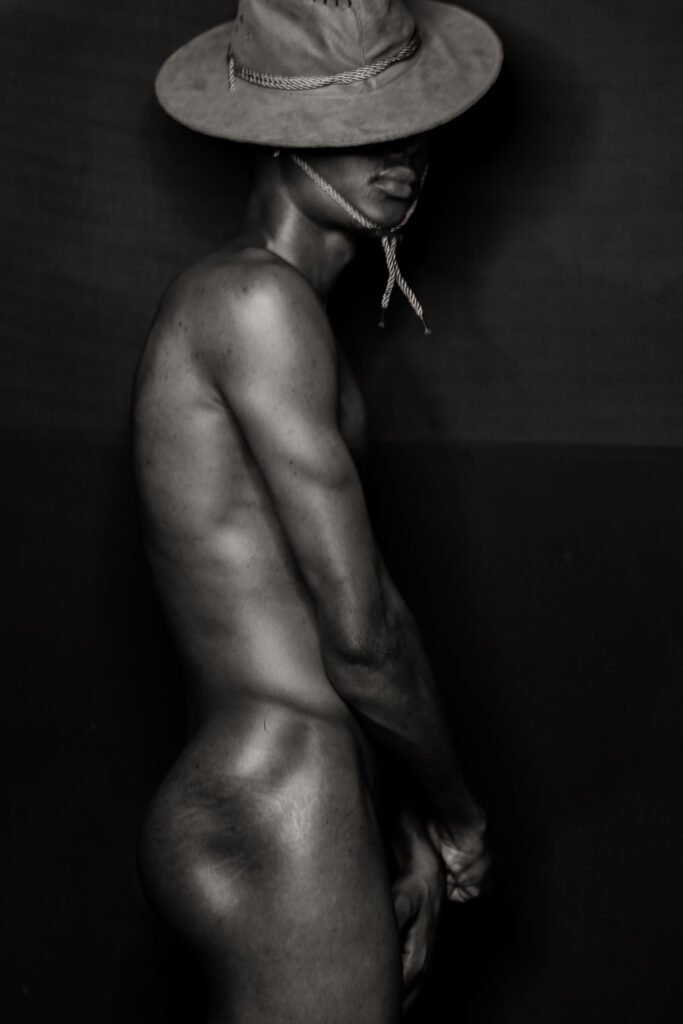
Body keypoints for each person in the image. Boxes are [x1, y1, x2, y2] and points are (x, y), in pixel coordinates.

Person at [132, 2, 502, 1021]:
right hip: (282, 802)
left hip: (302, 799)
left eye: (410, 120)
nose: (403, 153)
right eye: (360, 125)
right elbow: (361, 638)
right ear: (277, 135)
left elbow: (297, 620)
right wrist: (456, 817)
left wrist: (392, 827)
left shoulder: (261, 307)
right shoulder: (256, 306)